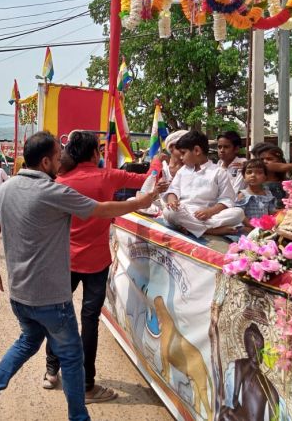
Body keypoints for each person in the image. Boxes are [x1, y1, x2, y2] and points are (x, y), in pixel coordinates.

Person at [0, 131, 166, 421]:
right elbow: (101, 210)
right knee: (72, 357)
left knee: (28, 341)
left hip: (20, 293)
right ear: (45, 161)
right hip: (50, 297)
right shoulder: (52, 192)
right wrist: (142, 201)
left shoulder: (6, 190)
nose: (62, 164)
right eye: (58, 159)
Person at [43, 131, 169, 402]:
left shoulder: (60, 181)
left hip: (65, 260)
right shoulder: (108, 176)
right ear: (94, 153)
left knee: (58, 316)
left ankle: (51, 370)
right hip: (97, 261)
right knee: (90, 322)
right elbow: (147, 179)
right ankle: (87, 384)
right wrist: (157, 161)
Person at [163, 130, 245, 237]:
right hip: (184, 210)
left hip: (208, 215)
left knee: (238, 213)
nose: (181, 157)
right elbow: (173, 191)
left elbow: (227, 199)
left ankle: (192, 227)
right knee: (169, 212)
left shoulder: (218, 172)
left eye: (183, 153)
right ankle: (208, 230)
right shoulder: (183, 171)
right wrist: (172, 201)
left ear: (197, 150)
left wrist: (210, 211)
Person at [218, 323, 279, 421]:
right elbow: (235, 399)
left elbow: (275, 416)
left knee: (225, 413)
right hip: (242, 417)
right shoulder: (242, 365)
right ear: (247, 349)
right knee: (224, 412)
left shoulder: (269, 387)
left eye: (258, 349)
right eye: (252, 348)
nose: (255, 353)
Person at [235, 159, 276, 234]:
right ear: (244, 176)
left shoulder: (268, 194)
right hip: (249, 229)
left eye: (259, 172)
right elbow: (241, 215)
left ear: (265, 177)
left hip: (265, 229)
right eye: (249, 172)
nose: (253, 175)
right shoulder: (242, 195)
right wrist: (254, 227)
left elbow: (271, 213)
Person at [257, 145, 287, 209]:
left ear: (279, 162)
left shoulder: (287, 183)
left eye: (269, 159)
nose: (264, 161)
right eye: (261, 159)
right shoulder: (254, 182)